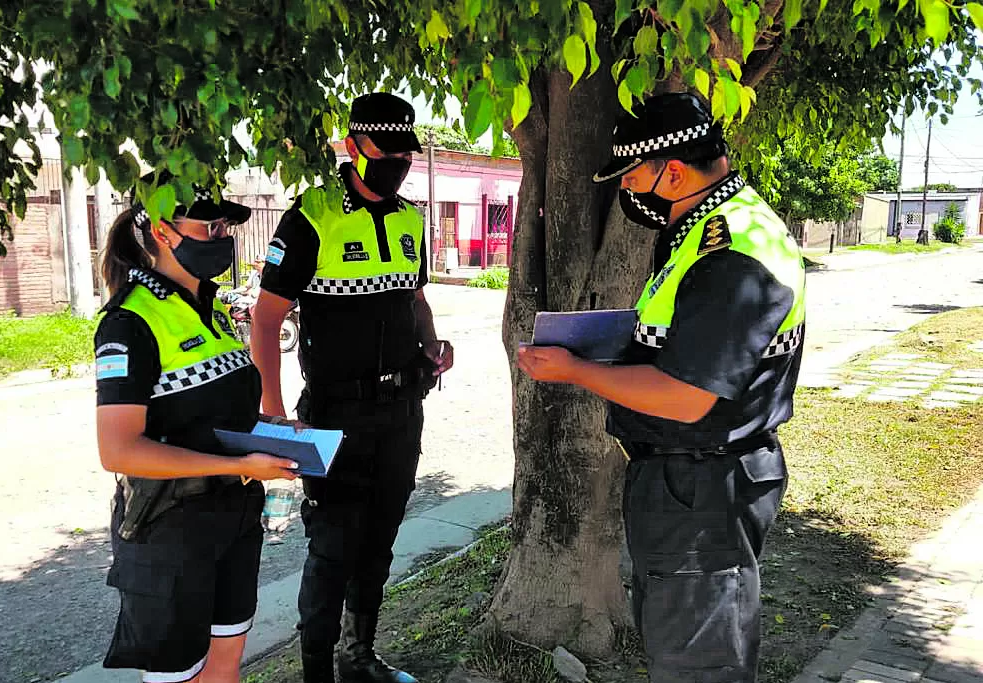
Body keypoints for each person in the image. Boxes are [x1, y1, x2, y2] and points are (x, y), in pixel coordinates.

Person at [517, 92, 807, 683]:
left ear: (672, 172)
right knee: (679, 645)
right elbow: (681, 338)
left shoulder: (733, 249)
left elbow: (687, 395)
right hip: (686, 482)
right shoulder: (702, 230)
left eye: (633, 177)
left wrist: (573, 371)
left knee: (697, 664)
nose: (627, 192)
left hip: (704, 489)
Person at [250, 92, 454, 683]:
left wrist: (432, 346)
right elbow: (266, 319)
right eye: (384, 151)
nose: (396, 162)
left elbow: (414, 297)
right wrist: (273, 411)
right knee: (333, 551)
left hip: (402, 412)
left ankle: (359, 655)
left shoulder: (410, 217)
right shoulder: (309, 217)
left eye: (404, 154)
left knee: (380, 542)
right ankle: (317, 672)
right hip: (333, 417)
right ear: (353, 146)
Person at [95, 173, 303, 683]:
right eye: (209, 228)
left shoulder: (211, 309)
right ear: (162, 233)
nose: (223, 237)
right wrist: (239, 464)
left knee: (225, 665)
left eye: (226, 226)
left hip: (233, 517)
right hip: (170, 531)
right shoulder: (129, 323)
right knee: (179, 675)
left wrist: (273, 429)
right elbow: (119, 451)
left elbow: (218, 413)